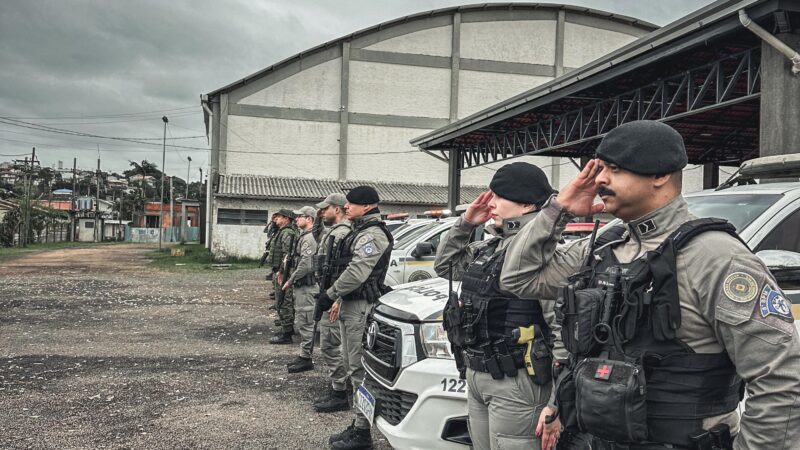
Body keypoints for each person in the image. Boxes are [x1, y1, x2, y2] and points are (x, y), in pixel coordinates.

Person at [500, 120, 800, 450]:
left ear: (659, 175)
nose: (599, 179)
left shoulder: (715, 256)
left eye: (614, 169)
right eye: (600, 169)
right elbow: (518, 277)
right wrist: (558, 210)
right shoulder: (605, 249)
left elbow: (780, 379)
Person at [433, 162, 565, 450]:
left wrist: (557, 403)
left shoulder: (542, 255)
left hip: (517, 381)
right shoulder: (491, 248)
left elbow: (562, 333)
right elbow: (445, 265)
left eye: (499, 196)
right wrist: (466, 223)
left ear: (527, 203)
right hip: (479, 373)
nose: (490, 203)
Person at [314, 186, 394, 450]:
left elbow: (358, 271)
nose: (346, 207)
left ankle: (363, 433)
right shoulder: (359, 231)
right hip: (352, 304)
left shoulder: (372, 234)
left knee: (360, 371)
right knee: (353, 367)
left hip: (361, 307)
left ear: (367, 206)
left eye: (351, 204)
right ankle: (359, 424)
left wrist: (331, 293)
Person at [312, 193, 352, 413]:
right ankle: (339, 386)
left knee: (331, 344)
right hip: (328, 294)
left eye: (324, 209)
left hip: (335, 298)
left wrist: (338, 298)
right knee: (331, 343)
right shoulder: (335, 232)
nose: (320, 213)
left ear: (337, 209)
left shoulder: (343, 233)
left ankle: (340, 391)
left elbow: (347, 270)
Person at [283, 206, 318, 372]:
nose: (296, 219)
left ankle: (306, 358)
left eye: (300, 217)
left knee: (306, 322)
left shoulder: (309, 238)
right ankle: (304, 355)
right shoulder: (304, 236)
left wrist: (290, 280)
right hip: (302, 286)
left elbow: (306, 264)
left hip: (307, 286)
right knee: (303, 322)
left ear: (309, 219)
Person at [269, 209, 298, 345]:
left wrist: (282, 271)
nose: (276, 219)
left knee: (284, 300)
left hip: (284, 272)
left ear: (287, 219)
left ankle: (287, 333)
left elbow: (288, 254)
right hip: (280, 271)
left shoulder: (287, 232)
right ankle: (286, 327)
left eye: (279, 217)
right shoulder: (282, 231)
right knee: (281, 300)